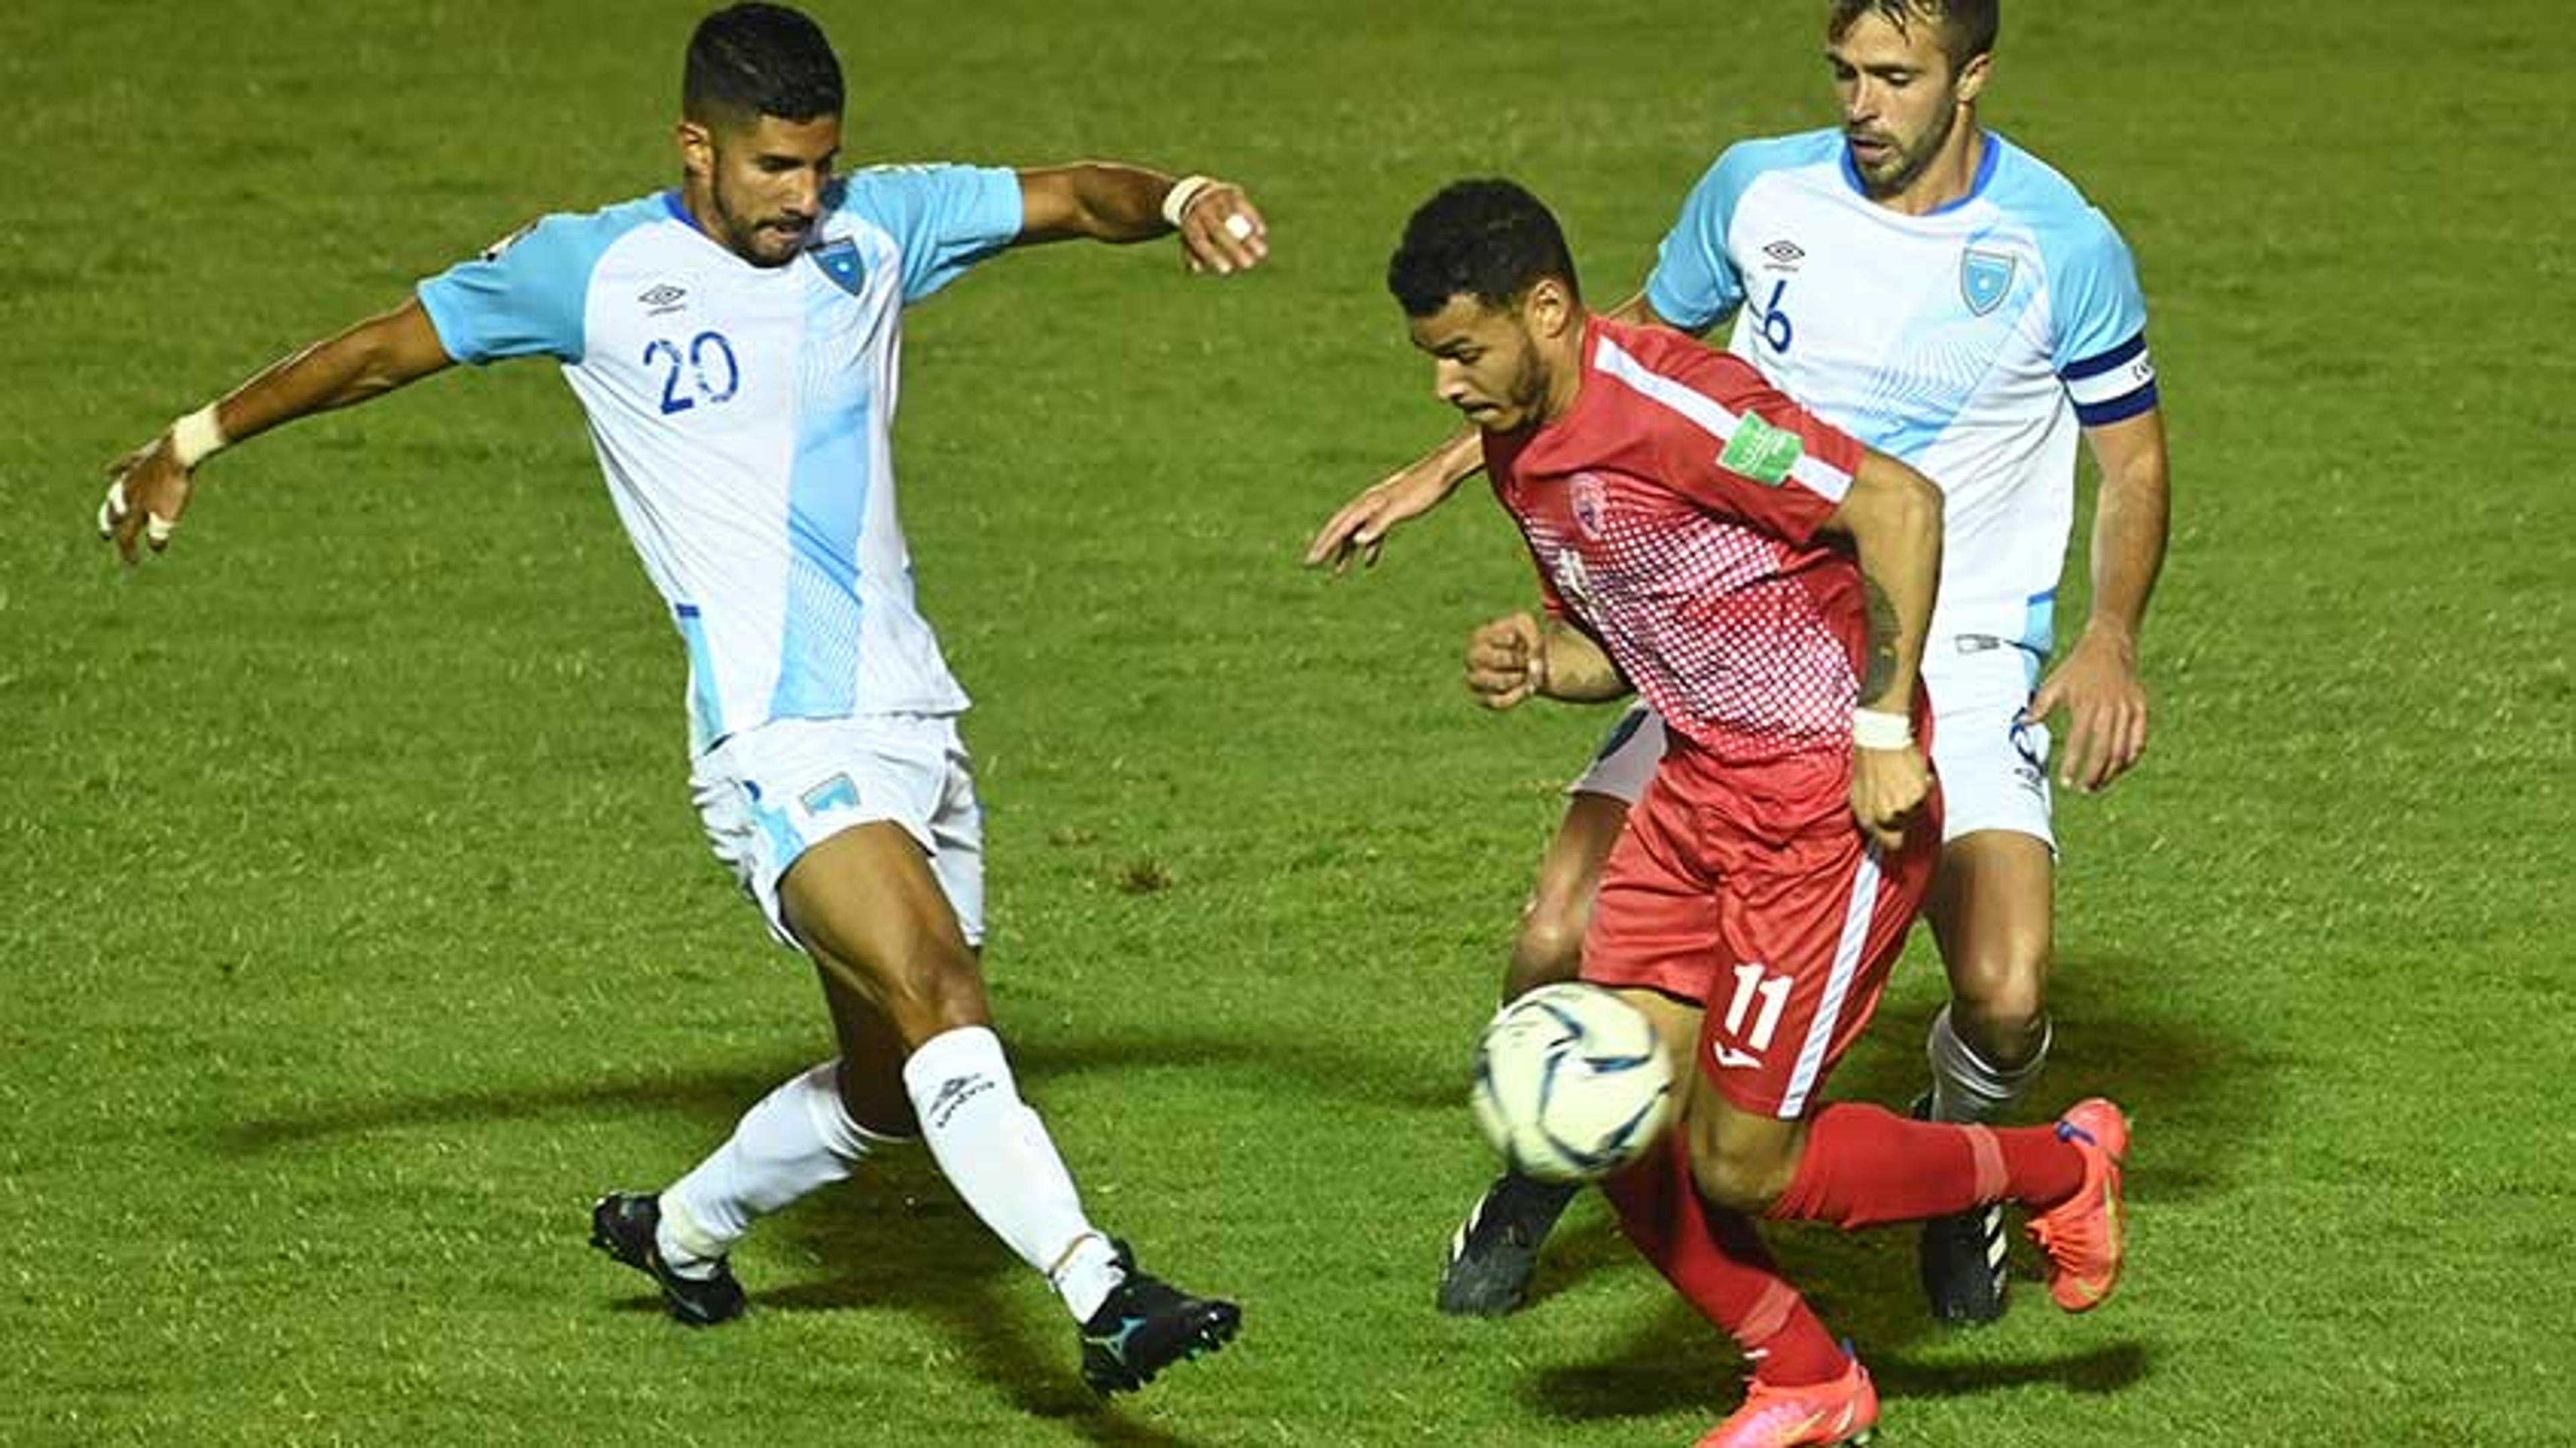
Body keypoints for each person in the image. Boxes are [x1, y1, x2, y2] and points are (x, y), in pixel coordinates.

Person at [95, 1, 1265, 1396]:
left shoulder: (876, 228)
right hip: (775, 741)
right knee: (942, 986)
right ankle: (1102, 1282)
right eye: (776, 168)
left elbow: (1075, 197)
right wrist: (195, 437)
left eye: (821, 164)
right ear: (696, 147)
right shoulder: (591, 269)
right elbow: (383, 350)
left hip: (916, 719)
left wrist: (1185, 195)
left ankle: (685, 1226)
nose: (804, 196)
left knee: (897, 1082)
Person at [1313, 0, 2168, 1326]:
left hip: (1953, 640)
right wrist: (1449, 467)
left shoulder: (2064, 246)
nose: (1862, 103)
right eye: (1846, 72)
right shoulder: (1758, 190)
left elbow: (2133, 461)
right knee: (1553, 938)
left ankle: (1966, 1177)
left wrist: (2110, 631)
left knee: (2001, 995)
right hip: (1737, 622)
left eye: (1896, 76)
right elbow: (1608, 354)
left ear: (1974, 74)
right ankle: (1546, 1160)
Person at [1386, 176, 2127, 1448]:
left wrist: (1886, 726)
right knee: (1606, 1109)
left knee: (1741, 1162)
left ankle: (2067, 1166)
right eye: (1434, 359)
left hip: (1822, 809)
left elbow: (1895, 504)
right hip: (1694, 794)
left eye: (1463, 350)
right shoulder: (1525, 453)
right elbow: (1628, 642)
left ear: (1548, 310)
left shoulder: (1687, 409)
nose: (1447, 387)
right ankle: (1802, 1371)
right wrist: (1542, 659)